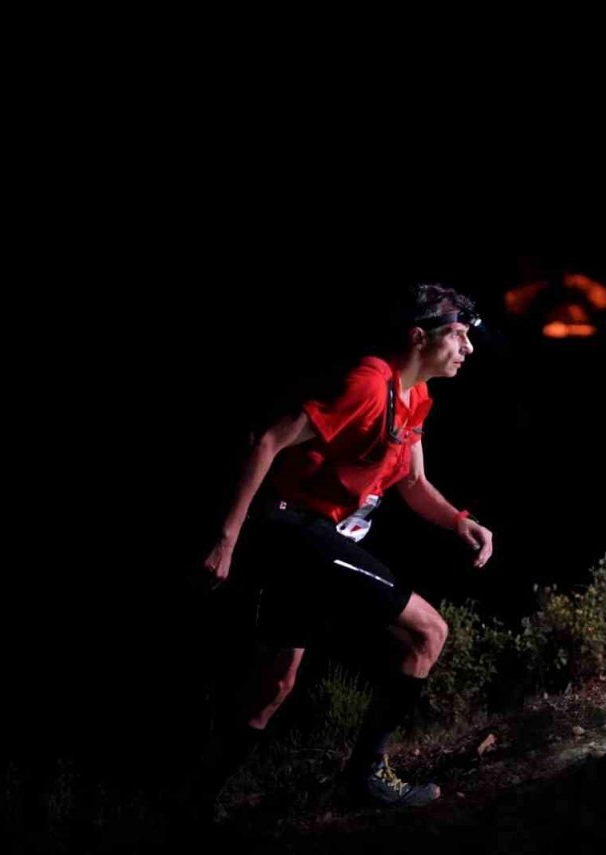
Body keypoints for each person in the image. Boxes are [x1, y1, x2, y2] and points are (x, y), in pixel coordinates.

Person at [197, 283, 493, 810]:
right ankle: (367, 776)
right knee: (428, 632)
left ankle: (193, 801)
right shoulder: (366, 383)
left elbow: (413, 485)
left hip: (315, 539)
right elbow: (266, 440)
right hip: (294, 531)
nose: (468, 348)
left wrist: (459, 522)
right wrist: (227, 539)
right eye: (458, 336)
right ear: (418, 336)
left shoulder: (418, 398)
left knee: (272, 689)